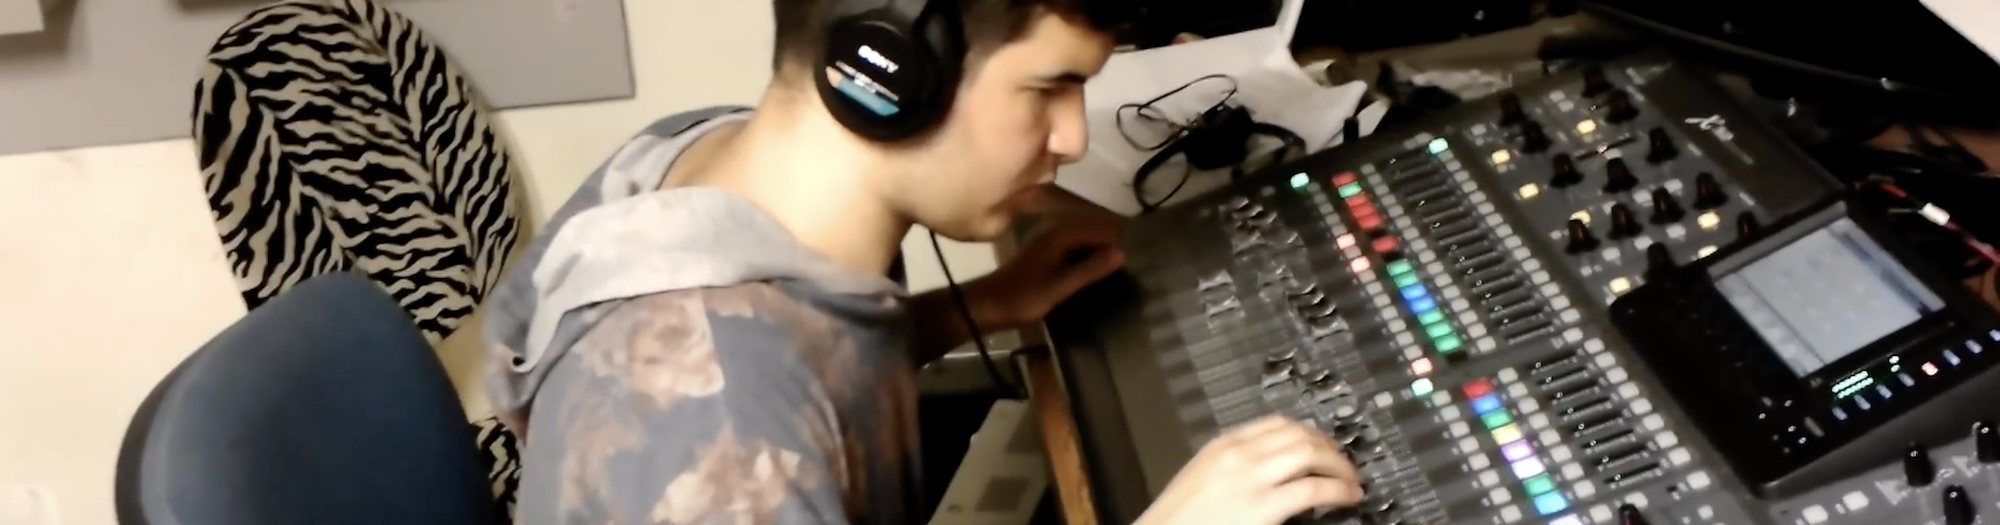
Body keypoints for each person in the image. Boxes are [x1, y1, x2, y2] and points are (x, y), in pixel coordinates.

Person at [480, 0, 1366, 523]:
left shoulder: (705, 158)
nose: (1069, 135)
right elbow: (743, 398)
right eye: (1047, 87)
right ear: (888, 72)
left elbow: (795, 350)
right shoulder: (723, 439)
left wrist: (967, 311)